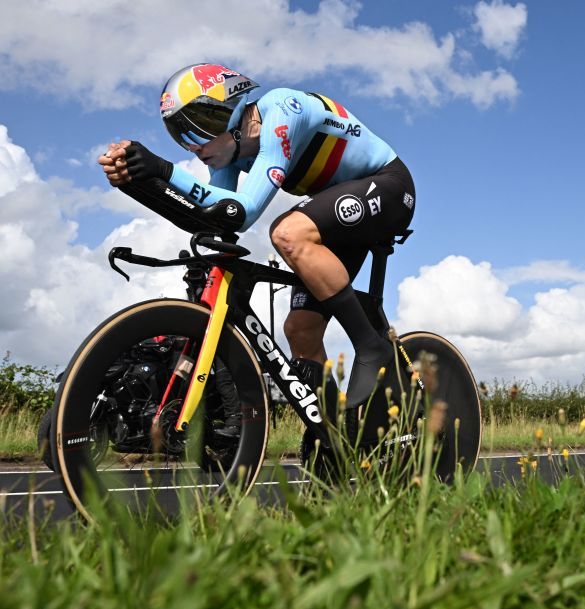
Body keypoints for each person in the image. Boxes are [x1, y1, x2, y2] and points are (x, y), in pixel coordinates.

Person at [98, 64, 415, 411]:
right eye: (181, 136)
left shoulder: (282, 108)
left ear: (231, 110)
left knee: (287, 233)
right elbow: (219, 219)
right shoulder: (229, 156)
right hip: (339, 213)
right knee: (300, 330)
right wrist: (137, 181)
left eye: (199, 127)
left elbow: (243, 211)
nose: (193, 146)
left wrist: (163, 169)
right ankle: (338, 439)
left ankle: (372, 347)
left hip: (389, 187)